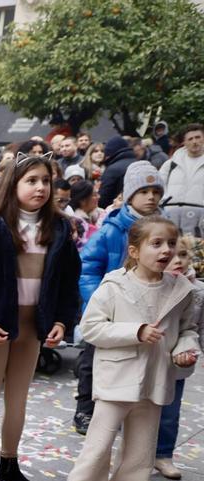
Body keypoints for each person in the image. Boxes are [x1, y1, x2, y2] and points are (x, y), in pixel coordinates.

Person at [60, 217, 200, 481]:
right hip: (118, 377)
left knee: (141, 448)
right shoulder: (114, 286)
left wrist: (185, 349)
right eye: (156, 243)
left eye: (171, 243)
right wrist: (135, 331)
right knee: (99, 443)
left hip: (156, 377)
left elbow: (188, 330)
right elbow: (91, 328)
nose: (166, 250)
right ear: (135, 251)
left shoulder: (181, 289)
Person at [0, 155, 82, 481]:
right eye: (31, 180)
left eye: (46, 181)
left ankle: (8, 462)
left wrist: (61, 320)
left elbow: (68, 281)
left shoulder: (59, 228)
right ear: (13, 185)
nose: (40, 187)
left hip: (31, 325)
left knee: (18, 398)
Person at [74, 162, 165, 434]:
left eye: (156, 192)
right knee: (93, 359)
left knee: (135, 362)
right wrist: (98, 302)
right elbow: (87, 267)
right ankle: (85, 409)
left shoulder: (164, 228)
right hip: (109, 309)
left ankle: (130, 409)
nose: (151, 197)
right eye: (143, 191)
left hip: (145, 309)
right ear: (129, 195)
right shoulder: (112, 229)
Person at [154, 236, 204, 478]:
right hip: (147, 358)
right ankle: (135, 453)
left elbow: (198, 327)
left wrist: (193, 349)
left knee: (169, 413)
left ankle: (163, 454)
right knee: (137, 409)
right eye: (171, 256)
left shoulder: (198, 291)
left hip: (178, 363)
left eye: (183, 255)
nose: (177, 261)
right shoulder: (151, 285)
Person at [159, 124, 204, 236]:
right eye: (190, 139)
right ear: (184, 142)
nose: (194, 141)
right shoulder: (170, 164)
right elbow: (159, 186)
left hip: (200, 220)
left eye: (198, 137)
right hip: (171, 217)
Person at [97, 135, 139, 209]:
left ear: (109, 154)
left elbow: (103, 199)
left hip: (118, 211)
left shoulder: (112, 170)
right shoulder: (139, 163)